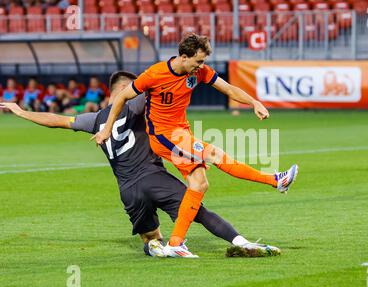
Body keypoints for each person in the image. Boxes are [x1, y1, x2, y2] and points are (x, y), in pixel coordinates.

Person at [0, 71, 280, 258]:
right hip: (152, 177)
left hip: (127, 191)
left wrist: (20, 111)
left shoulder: (95, 120)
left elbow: (58, 121)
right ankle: (241, 243)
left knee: (150, 236)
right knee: (198, 209)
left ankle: (156, 248)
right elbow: (163, 83)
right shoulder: (137, 104)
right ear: (124, 91)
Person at [93, 33, 298, 258]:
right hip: (163, 136)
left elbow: (228, 88)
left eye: (203, 62)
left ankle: (175, 243)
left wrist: (254, 102)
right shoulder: (155, 74)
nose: (201, 66)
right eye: (198, 61)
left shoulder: (198, 72)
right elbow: (122, 97)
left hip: (182, 133)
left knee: (198, 184)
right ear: (183, 57)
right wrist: (105, 129)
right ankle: (275, 181)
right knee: (215, 153)